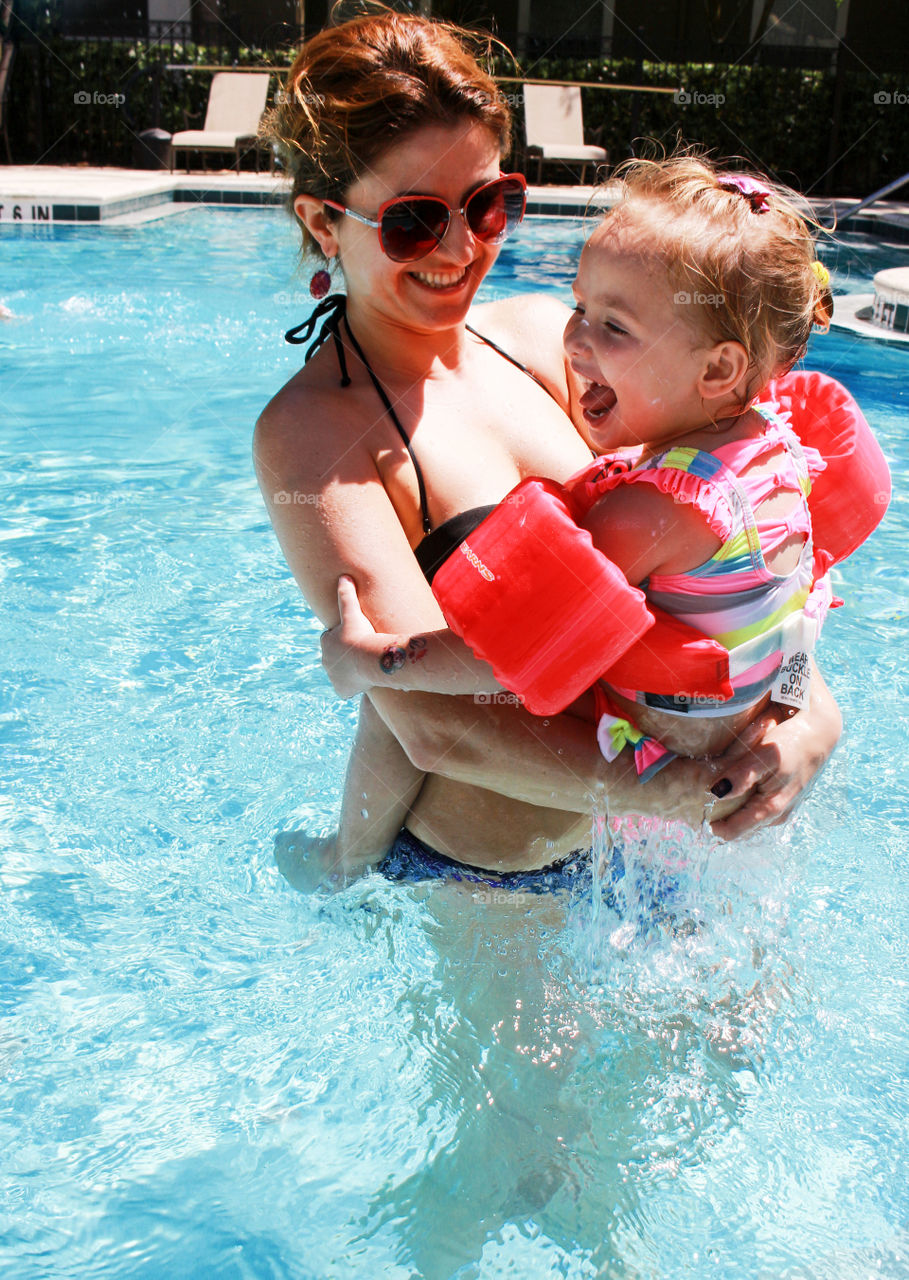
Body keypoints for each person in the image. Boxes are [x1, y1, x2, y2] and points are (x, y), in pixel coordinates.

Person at [253, 9, 842, 890]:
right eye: (415, 221)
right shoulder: (317, 437)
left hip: (662, 830)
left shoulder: (548, 342)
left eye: (488, 204)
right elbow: (428, 724)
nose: (460, 248)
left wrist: (803, 730)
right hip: (496, 875)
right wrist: (673, 794)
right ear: (323, 221)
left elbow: (745, 571)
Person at [320, 153, 838, 843]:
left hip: (648, 769)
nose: (574, 337)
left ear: (718, 368)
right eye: (579, 306)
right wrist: (797, 710)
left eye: (613, 327)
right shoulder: (777, 447)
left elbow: (517, 656)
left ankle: (342, 862)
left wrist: (375, 658)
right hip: (702, 775)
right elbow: (800, 613)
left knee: (387, 701)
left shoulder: (653, 510)